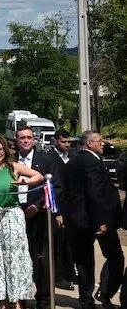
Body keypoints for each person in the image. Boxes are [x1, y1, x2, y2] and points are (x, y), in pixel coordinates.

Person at [0, 135, 42, 309]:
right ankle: (2, 298)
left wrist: (26, 181)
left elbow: (38, 176)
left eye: (0, 149)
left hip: (12, 216)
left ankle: (17, 299)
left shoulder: (13, 167)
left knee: (15, 259)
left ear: (5, 151)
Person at [65, 130, 125, 309]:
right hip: (97, 221)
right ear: (89, 144)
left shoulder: (73, 161)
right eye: (100, 141)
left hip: (78, 221)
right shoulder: (91, 162)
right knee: (115, 257)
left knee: (84, 262)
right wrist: (101, 221)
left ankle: (86, 300)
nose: (103, 143)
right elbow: (95, 193)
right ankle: (105, 293)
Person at [15, 125, 59, 309]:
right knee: (19, 258)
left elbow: (53, 186)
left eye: (28, 137)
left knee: (41, 259)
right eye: (22, 138)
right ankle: (20, 297)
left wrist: (37, 205)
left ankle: (43, 297)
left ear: (34, 139)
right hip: (15, 215)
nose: (25, 140)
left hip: (39, 216)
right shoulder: (9, 161)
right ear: (16, 140)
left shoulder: (46, 159)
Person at [49, 129, 75, 290]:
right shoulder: (51, 159)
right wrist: (57, 212)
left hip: (71, 207)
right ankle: (58, 276)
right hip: (57, 207)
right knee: (58, 244)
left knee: (69, 243)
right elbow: (51, 188)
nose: (67, 144)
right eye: (64, 141)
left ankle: (69, 272)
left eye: (68, 142)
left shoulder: (71, 158)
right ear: (55, 141)